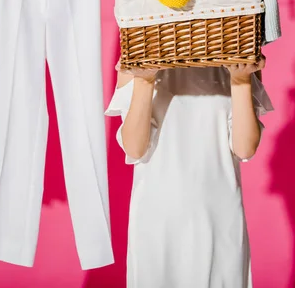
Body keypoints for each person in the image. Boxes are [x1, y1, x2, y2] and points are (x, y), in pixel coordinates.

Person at [105, 58, 273, 288]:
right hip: (157, 224)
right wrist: (145, 81)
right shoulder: (139, 51)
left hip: (219, 222)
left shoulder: (237, 52)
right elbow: (135, 148)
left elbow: (244, 147)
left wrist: (241, 80)